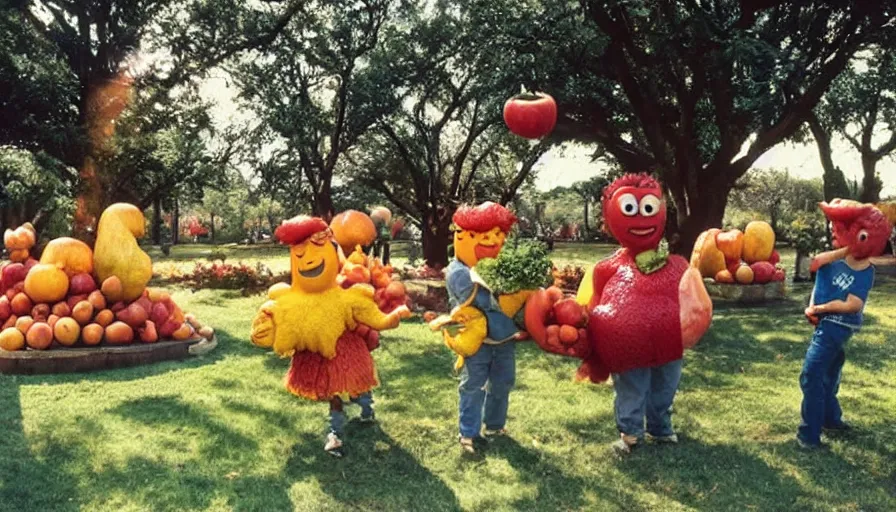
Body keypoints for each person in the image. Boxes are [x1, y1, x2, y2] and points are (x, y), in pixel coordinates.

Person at [250, 215, 410, 457]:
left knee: (357, 390)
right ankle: (335, 433)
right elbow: (275, 327)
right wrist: (264, 331)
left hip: (347, 353)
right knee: (333, 395)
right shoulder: (290, 300)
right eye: (299, 256)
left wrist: (393, 317)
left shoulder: (346, 297)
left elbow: (376, 319)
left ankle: (366, 408)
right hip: (318, 357)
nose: (306, 261)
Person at [798, 200, 892, 449]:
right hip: (827, 326)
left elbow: (853, 304)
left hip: (836, 327)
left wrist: (820, 308)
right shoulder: (833, 260)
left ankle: (809, 436)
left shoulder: (865, 271)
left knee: (811, 375)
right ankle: (831, 419)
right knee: (828, 373)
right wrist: (847, 249)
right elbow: (815, 263)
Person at [436, 202, 524, 455]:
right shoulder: (459, 272)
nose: (493, 241)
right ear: (462, 235)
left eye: (498, 235)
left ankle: (495, 426)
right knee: (473, 385)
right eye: (483, 235)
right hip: (477, 341)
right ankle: (468, 433)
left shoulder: (496, 267)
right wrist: (519, 294)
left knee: (502, 382)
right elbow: (486, 304)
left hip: (503, 337)